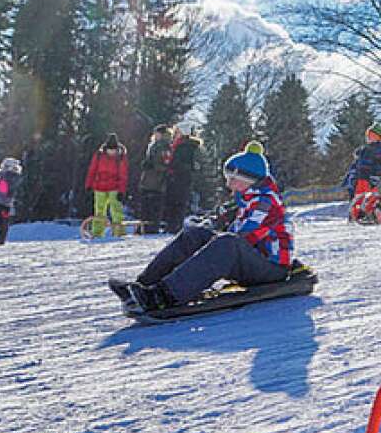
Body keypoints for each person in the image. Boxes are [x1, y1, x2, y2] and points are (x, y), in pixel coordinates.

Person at [113, 148, 298, 313]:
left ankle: (163, 296)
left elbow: (244, 237)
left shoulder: (265, 202)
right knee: (194, 235)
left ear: (248, 180)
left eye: (232, 179)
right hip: (253, 260)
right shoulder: (247, 198)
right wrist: (207, 230)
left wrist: (216, 237)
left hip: (272, 268)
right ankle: (144, 284)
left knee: (227, 244)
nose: (228, 184)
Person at [85, 134, 130, 238]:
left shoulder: (120, 157)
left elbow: (123, 175)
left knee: (116, 210)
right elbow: (92, 170)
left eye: (113, 150)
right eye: (110, 150)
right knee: (99, 211)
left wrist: (121, 191)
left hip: (114, 187)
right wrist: (88, 184)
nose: (111, 152)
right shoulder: (99, 155)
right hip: (99, 186)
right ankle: (97, 233)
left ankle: (119, 232)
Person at [343, 127, 381, 222]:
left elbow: (369, 164)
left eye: (371, 135)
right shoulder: (368, 149)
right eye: (368, 135)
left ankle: (365, 213)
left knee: (364, 196)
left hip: (365, 176)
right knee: (360, 196)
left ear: (377, 136)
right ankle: (359, 214)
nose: (368, 137)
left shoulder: (375, 149)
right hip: (361, 176)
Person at [138, 125, 174, 234]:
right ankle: (144, 226)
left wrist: (153, 166)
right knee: (145, 205)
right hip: (148, 180)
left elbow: (166, 164)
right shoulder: (153, 145)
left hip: (157, 181)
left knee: (155, 205)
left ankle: (152, 227)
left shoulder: (165, 147)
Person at [162, 131, 201, 232]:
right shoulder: (188, 147)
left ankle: (173, 226)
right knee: (179, 203)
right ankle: (175, 225)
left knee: (175, 203)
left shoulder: (182, 147)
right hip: (184, 178)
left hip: (178, 177)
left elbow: (178, 162)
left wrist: (170, 167)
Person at [0, 157, 23, 246]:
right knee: (3, 222)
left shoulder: (7, 177)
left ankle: (0, 240)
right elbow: (5, 190)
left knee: (3, 222)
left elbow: (3, 190)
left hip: (2, 203)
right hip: (4, 204)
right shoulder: (11, 177)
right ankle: (0, 239)